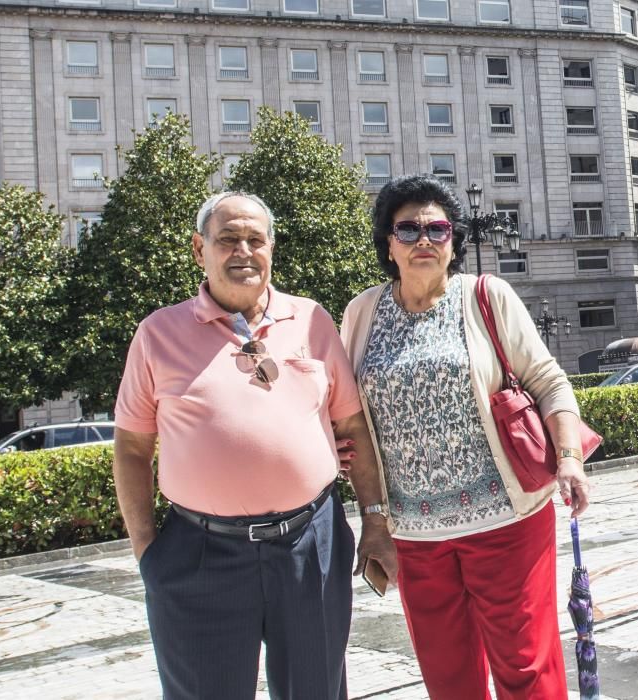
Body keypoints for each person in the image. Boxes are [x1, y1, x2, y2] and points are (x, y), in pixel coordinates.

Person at [112, 191, 397, 700]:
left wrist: (375, 519)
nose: (243, 251)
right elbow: (132, 449)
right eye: (227, 240)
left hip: (312, 543)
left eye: (255, 239)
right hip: (199, 552)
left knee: (317, 690)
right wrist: (147, 552)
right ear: (200, 250)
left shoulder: (312, 320)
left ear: (271, 249)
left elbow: (351, 427)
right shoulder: (157, 334)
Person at [340, 174, 590, 700]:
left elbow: (549, 381)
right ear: (388, 243)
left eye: (438, 228)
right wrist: (373, 514)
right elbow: (348, 415)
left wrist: (568, 457)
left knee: (526, 669)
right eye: (408, 230)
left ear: (453, 240)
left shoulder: (484, 295)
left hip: (508, 522)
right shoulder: (361, 313)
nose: (424, 239)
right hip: (414, 535)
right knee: (448, 678)